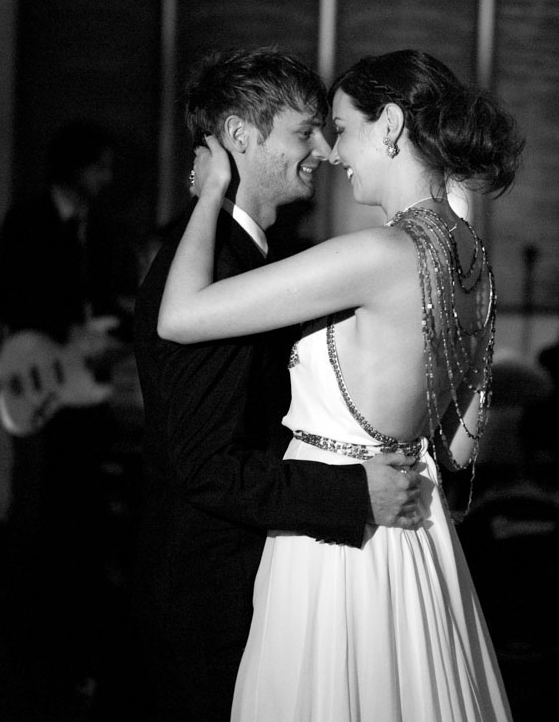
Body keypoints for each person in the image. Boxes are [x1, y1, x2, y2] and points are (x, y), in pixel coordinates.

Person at [157, 49, 523, 721]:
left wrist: (210, 191)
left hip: (331, 544)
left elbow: (179, 317)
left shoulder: (371, 254)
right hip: (417, 531)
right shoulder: (472, 258)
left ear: (388, 127)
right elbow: (463, 451)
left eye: (344, 126)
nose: (332, 150)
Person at [133, 46, 422, 722]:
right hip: (206, 594)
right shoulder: (212, 273)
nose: (321, 149)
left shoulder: (254, 259)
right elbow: (205, 470)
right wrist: (357, 492)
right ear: (240, 137)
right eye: (302, 131)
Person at [0, 120, 130, 704]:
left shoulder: (97, 230)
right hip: (43, 378)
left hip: (84, 389)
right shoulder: (27, 221)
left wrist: (112, 327)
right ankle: (34, 650)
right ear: (75, 167)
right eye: (99, 166)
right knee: (43, 510)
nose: (107, 177)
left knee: (81, 514)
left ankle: (73, 642)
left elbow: (107, 301)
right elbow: (11, 299)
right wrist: (68, 331)